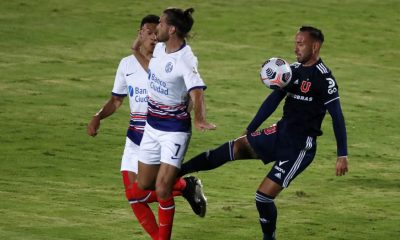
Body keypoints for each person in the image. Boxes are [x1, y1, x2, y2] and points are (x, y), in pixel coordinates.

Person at [178, 26, 349, 240]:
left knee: (263, 198)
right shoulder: (291, 71)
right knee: (234, 146)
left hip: (298, 148)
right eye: (295, 42)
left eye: (300, 43)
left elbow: (338, 117)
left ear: (315, 46)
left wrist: (342, 154)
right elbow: (273, 101)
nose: (295, 48)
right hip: (278, 134)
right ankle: (179, 172)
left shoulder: (325, 80)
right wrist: (251, 128)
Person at [87, 14, 206, 240]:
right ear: (140, 33)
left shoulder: (167, 60)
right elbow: (116, 100)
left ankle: (179, 188)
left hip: (161, 135)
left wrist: (190, 112)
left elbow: (193, 91)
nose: (153, 37)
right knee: (134, 197)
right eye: (149, 32)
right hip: (135, 139)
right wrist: (98, 116)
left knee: (149, 191)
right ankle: (183, 186)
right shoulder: (127, 64)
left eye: (156, 32)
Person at [132, 7, 216, 240]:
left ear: (171, 29)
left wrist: (199, 118)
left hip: (174, 132)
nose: (155, 27)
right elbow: (151, 64)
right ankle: (187, 186)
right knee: (145, 183)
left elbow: (197, 91)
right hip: (152, 126)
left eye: (160, 23)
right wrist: (136, 46)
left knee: (161, 189)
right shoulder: (159, 48)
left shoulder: (185, 59)